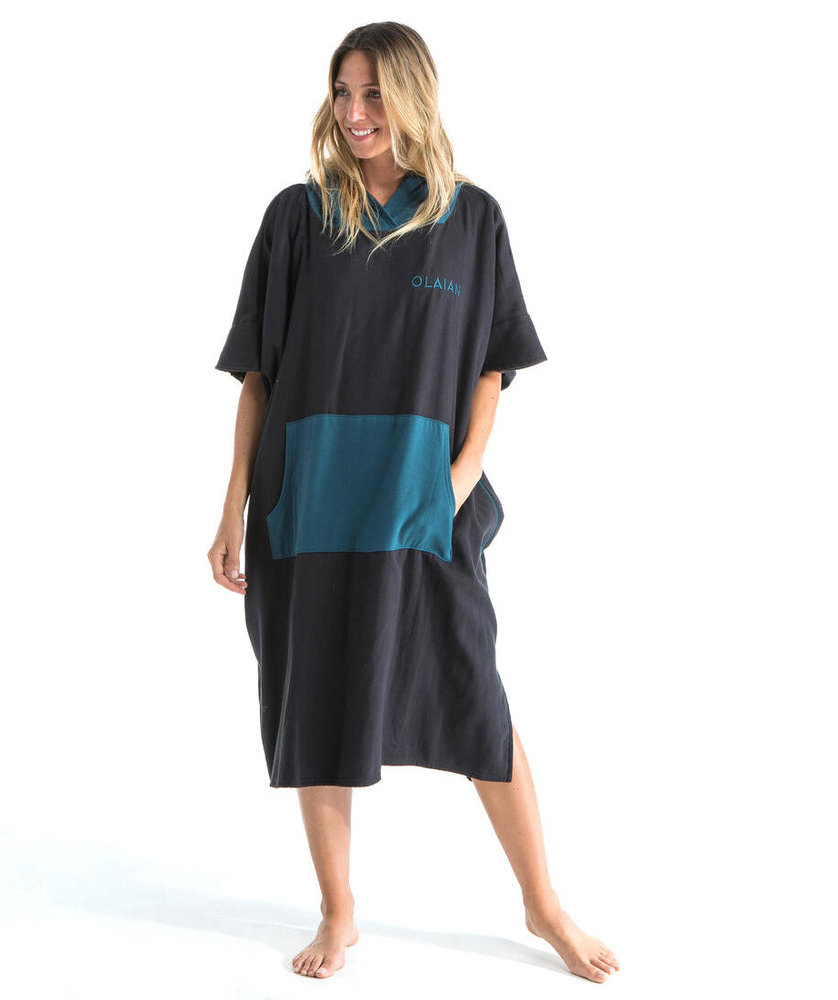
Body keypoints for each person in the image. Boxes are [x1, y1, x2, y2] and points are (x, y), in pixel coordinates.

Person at [208, 21, 620, 985]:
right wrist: (231, 507)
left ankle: (542, 902)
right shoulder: (297, 218)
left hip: (423, 505)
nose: (355, 113)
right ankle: (339, 911)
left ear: (413, 97)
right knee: (317, 701)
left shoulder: (472, 219)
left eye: (374, 94)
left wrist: (461, 475)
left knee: (474, 696)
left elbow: (492, 366)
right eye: (342, 92)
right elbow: (258, 375)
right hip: (309, 504)